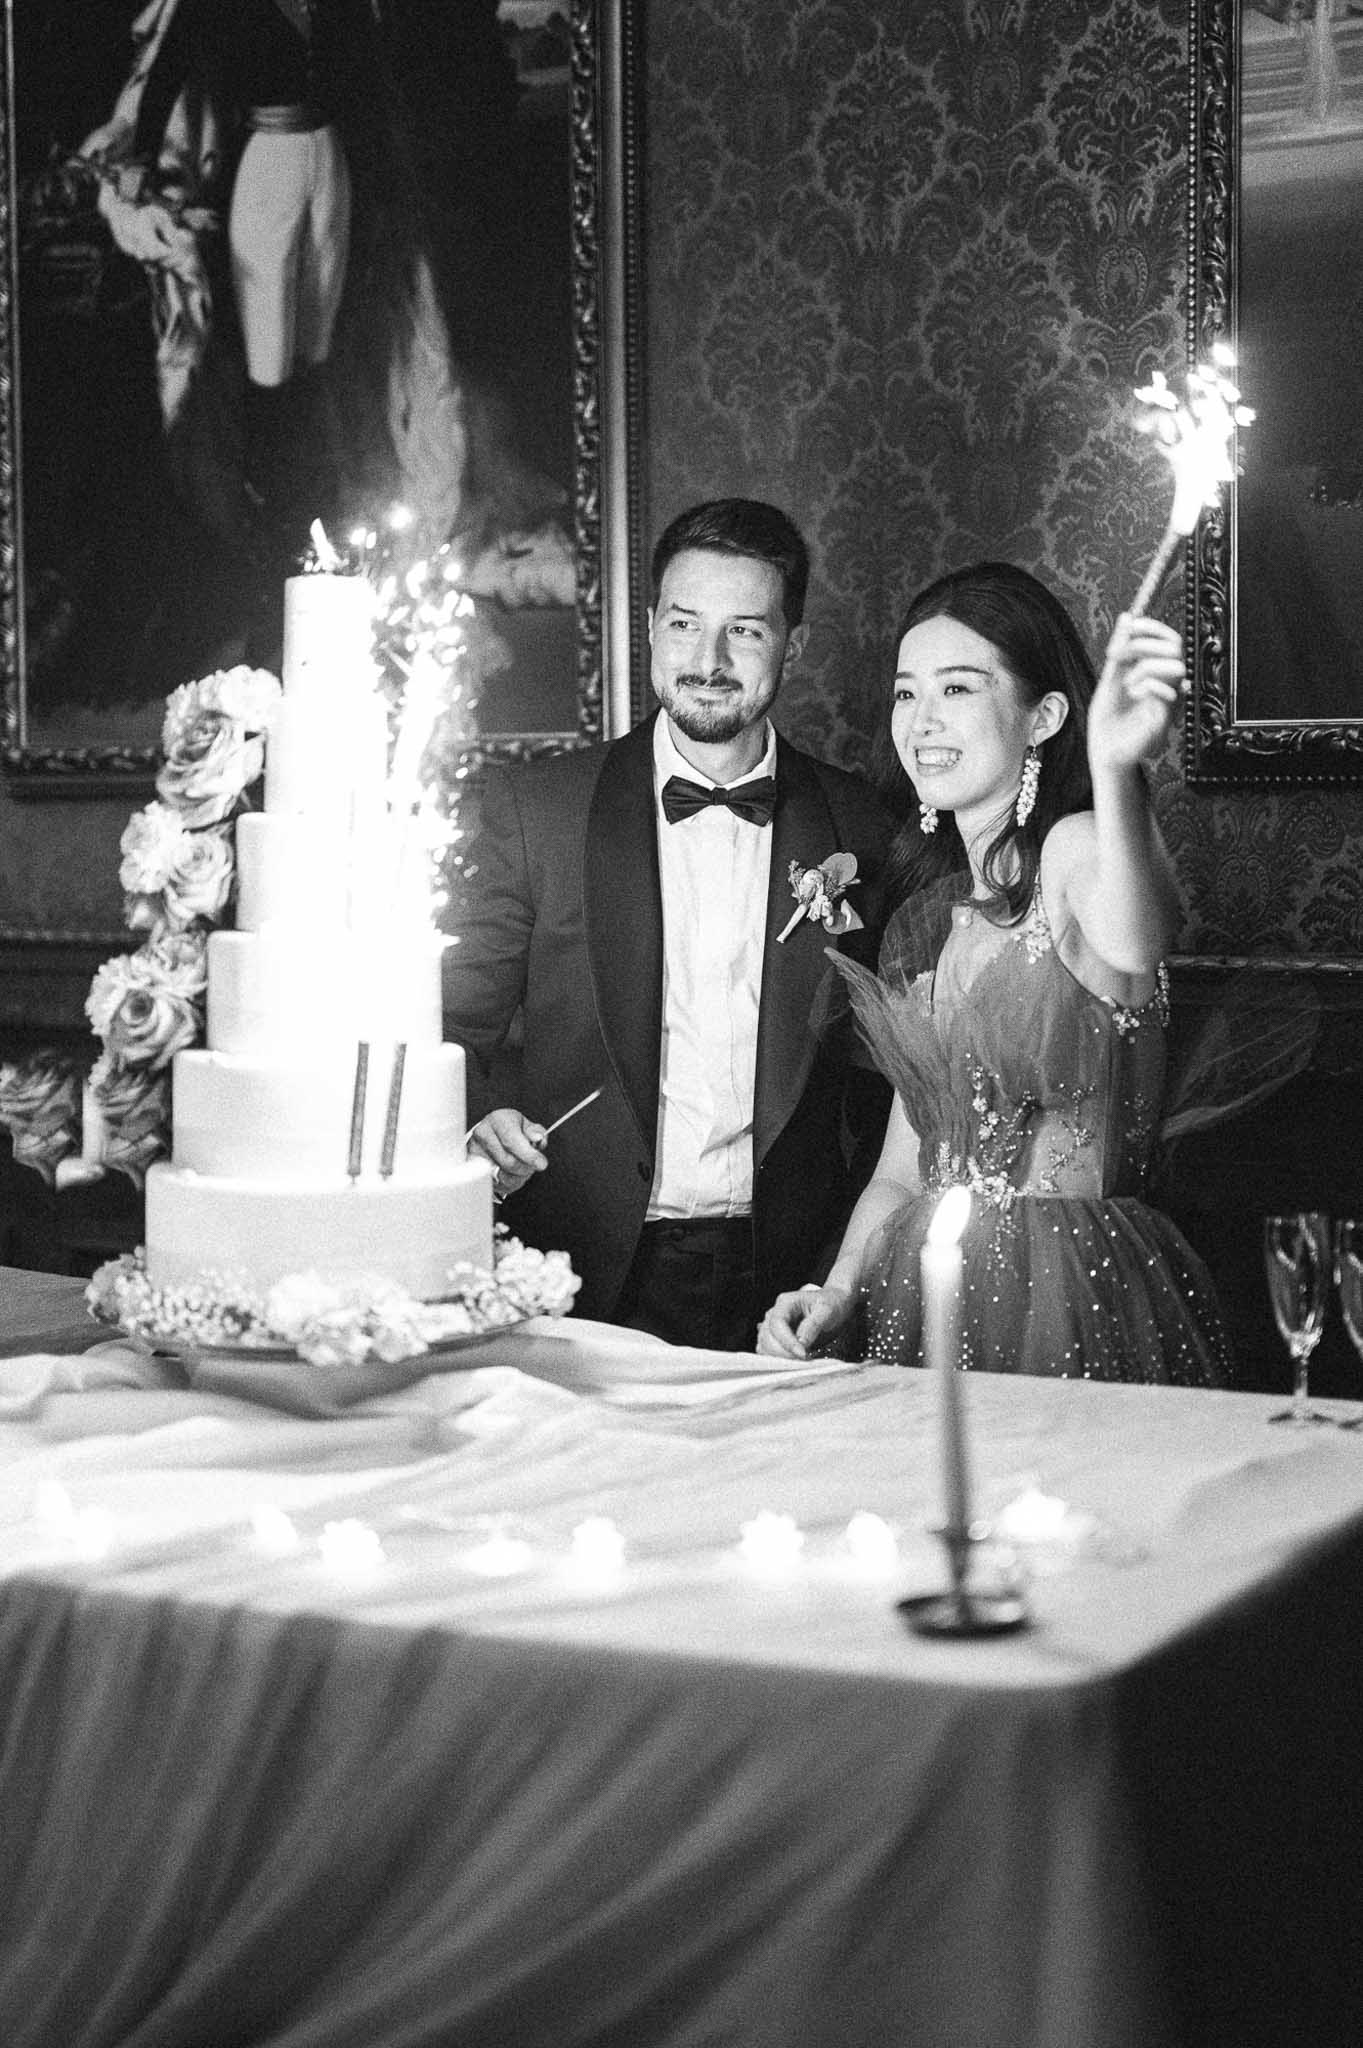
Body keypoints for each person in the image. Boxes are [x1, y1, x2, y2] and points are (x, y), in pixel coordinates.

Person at [757, 560, 1232, 1385]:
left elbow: (1136, 942)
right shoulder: (928, 920)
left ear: (1044, 714)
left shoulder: (1076, 849)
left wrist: (1116, 768)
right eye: (906, 693)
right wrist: (835, 1290)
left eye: (958, 689)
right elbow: (902, 1171)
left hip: (1068, 1291)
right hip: (925, 1289)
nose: (922, 721)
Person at [445, 498, 894, 1350]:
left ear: (790, 644)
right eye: (685, 624)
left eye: (746, 632)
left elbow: (883, 1091)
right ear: (650, 628)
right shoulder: (538, 809)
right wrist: (481, 1118)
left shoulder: (859, 824)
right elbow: (450, 1028)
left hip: (787, 1281)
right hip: (579, 1270)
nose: (709, 660)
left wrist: (840, 1272)